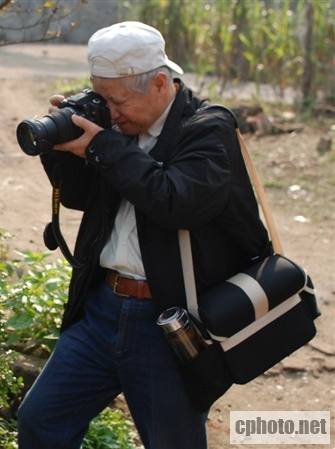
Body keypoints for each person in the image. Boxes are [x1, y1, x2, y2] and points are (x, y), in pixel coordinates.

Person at [16, 21, 272, 449]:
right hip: (101, 311)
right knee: (41, 421)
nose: (111, 112)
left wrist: (102, 147)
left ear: (159, 83)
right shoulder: (115, 130)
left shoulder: (207, 129)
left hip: (170, 322)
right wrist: (65, 148)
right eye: (102, 98)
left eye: (117, 100)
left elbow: (175, 201)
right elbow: (79, 198)